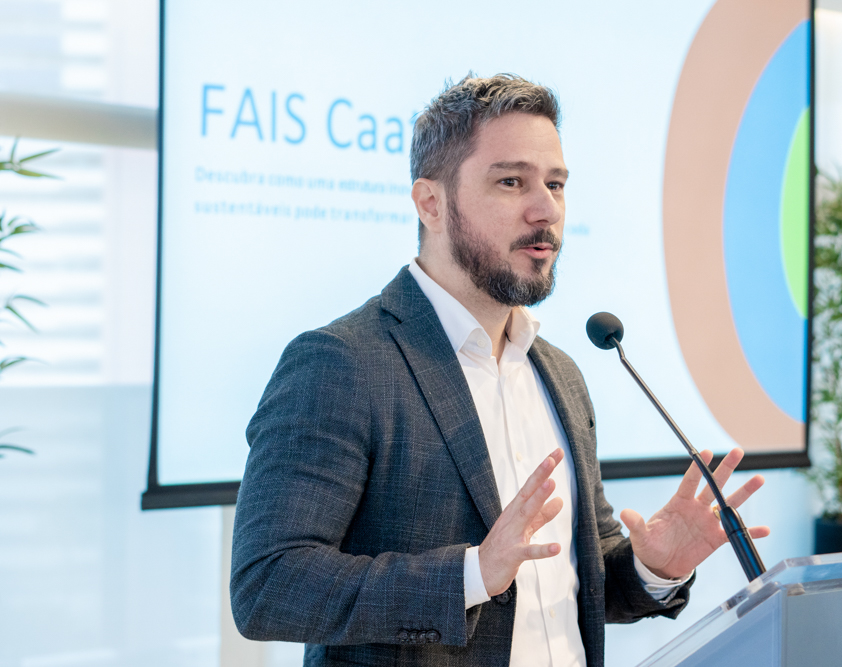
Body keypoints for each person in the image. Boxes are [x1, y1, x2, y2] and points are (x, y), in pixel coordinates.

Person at [230, 74, 768, 667]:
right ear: (431, 203)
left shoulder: (561, 374)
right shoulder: (342, 363)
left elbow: (570, 585)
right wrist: (471, 574)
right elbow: (267, 586)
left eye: (555, 184)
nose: (546, 210)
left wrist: (651, 567)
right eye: (511, 181)